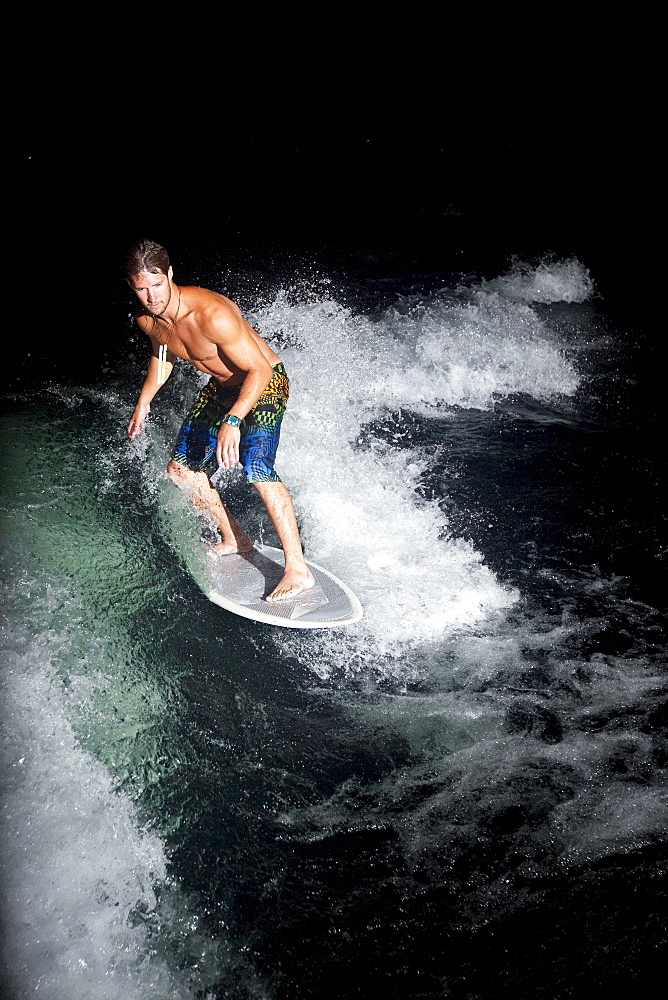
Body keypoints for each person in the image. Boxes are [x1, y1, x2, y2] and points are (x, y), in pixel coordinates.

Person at [125, 239, 314, 603]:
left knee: (256, 466)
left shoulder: (211, 314)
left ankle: (298, 570)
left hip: (265, 381)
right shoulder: (148, 320)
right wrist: (143, 401)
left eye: (157, 285)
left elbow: (257, 368)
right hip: (224, 387)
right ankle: (236, 539)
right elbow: (162, 356)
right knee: (181, 470)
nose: (151, 297)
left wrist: (233, 420)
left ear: (170, 274)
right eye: (141, 289)